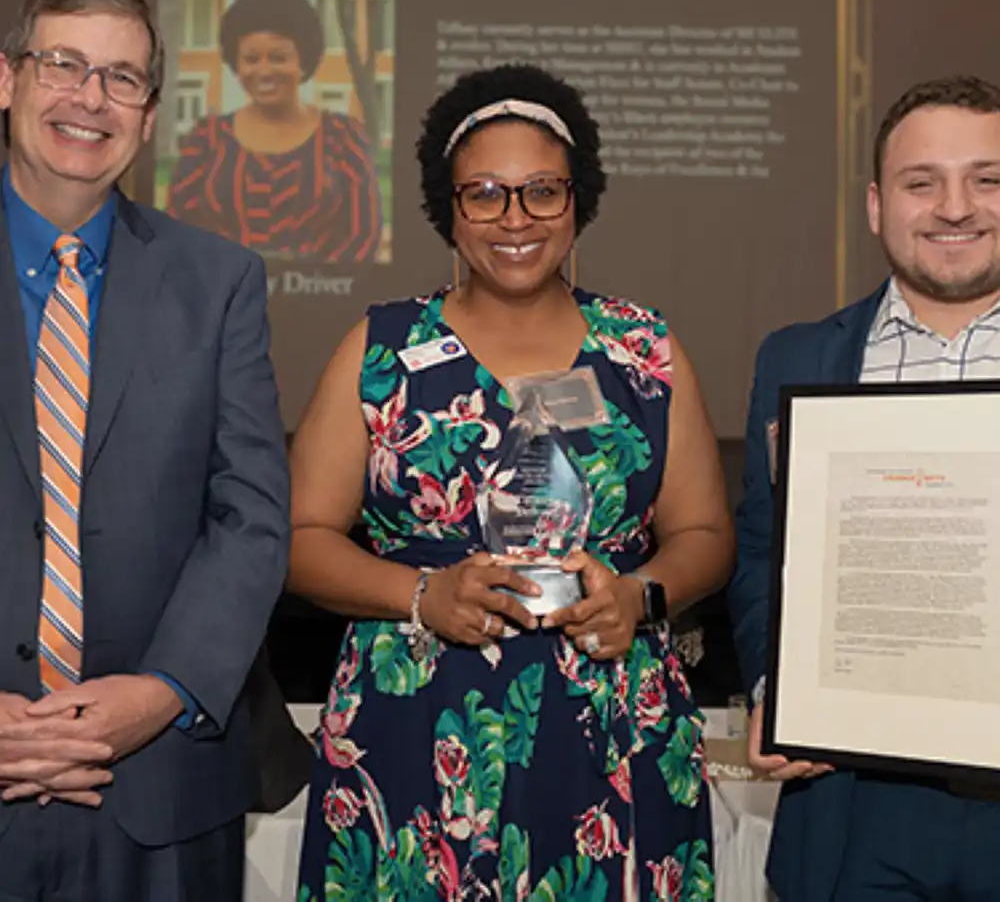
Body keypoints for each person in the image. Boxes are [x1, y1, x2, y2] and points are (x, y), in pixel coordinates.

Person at [288, 62, 734, 900]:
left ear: (579, 200)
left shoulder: (644, 350)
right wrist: (423, 594)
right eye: (485, 194)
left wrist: (637, 598)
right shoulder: (380, 350)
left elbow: (706, 538)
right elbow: (300, 540)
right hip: (415, 719)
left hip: (611, 720)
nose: (515, 218)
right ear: (448, 209)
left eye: (542, 192)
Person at [0, 0, 289, 900]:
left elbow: (248, 517)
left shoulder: (221, 282)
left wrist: (163, 691)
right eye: (64, 65)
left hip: (157, 788)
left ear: (151, 114)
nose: (91, 98)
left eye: (122, 79)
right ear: (6, 80)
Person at [729, 74, 1000, 901]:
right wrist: (780, 690)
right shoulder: (796, 359)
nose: (956, 207)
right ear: (880, 205)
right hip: (852, 807)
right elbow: (760, 555)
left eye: (988, 179)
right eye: (924, 183)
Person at [166, 0, 383, 263]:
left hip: (324, 298)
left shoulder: (344, 137)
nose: (264, 71)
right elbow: (176, 229)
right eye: (251, 59)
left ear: (302, 61)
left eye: (279, 58)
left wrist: (316, 287)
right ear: (236, 64)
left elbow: (363, 236)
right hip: (220, 300)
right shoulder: (207, 140)